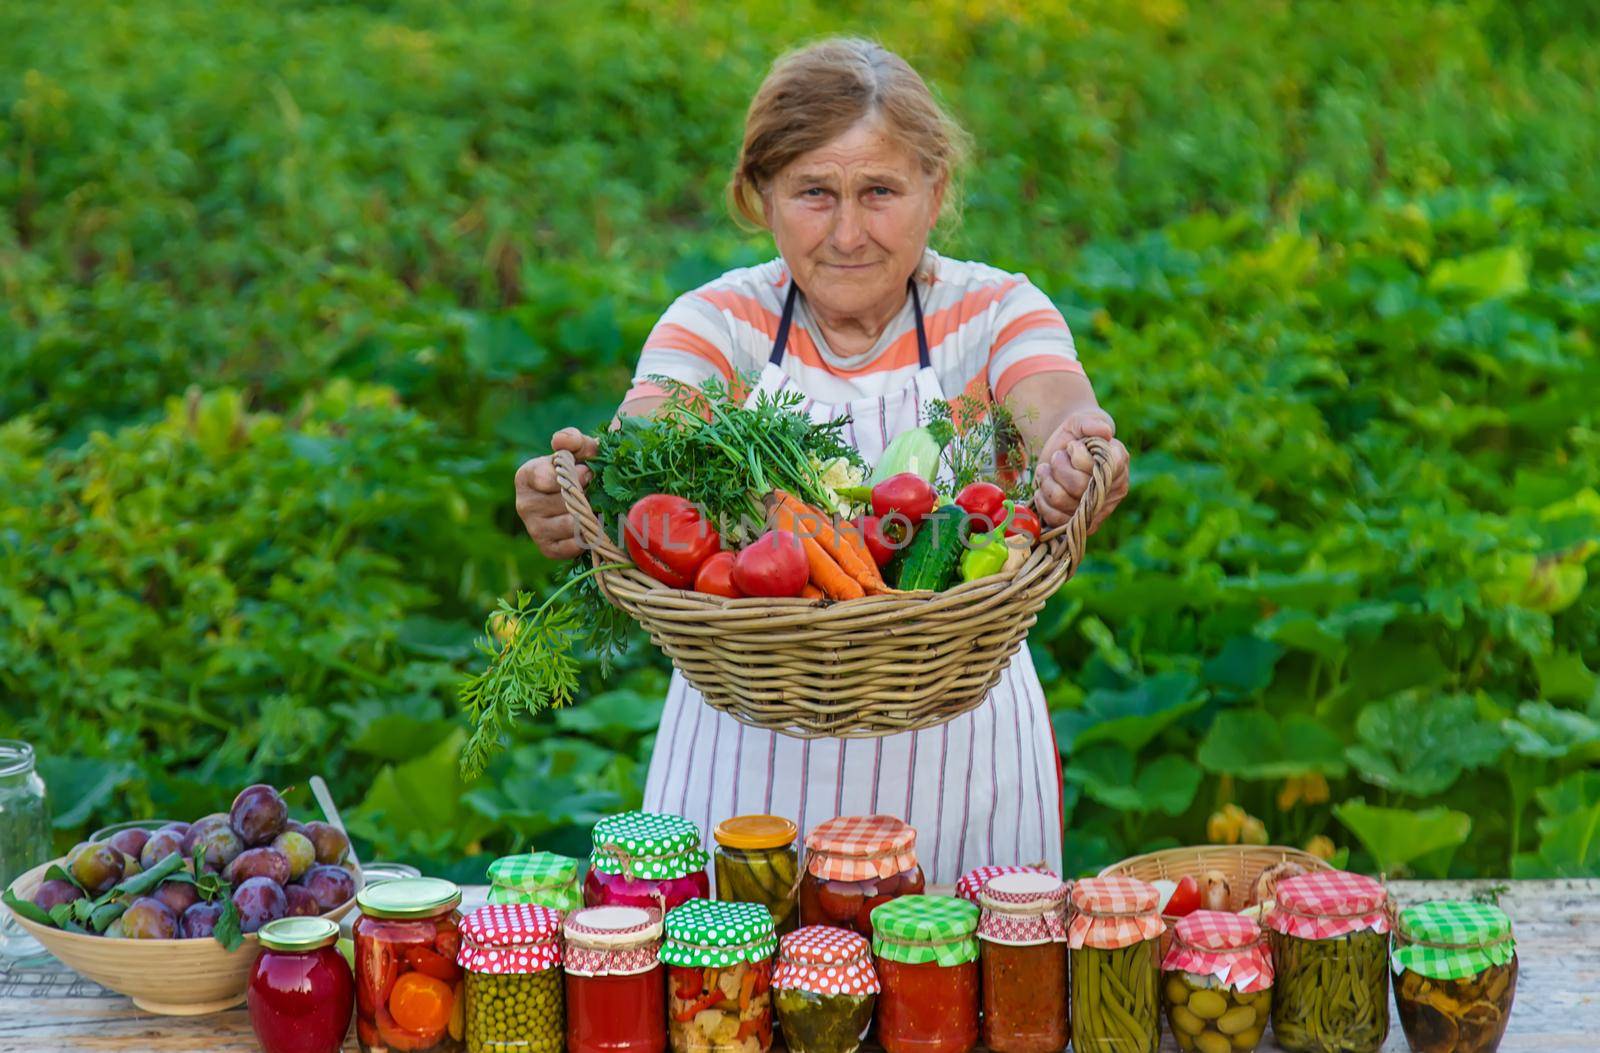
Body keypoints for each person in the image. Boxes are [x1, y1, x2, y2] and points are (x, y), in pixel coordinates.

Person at [515, 38, 1130, 882]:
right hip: (744, 763)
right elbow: (643, 440)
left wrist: (1077, 450)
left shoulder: (994, 311)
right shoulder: (718, 322)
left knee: (969, 999)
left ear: (935, 190)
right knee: (728, 995)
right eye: (814, 193)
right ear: (759, 195)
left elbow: (1057, 400)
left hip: (961, 754)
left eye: (879, 191)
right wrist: (580, 490)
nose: (848, 233)